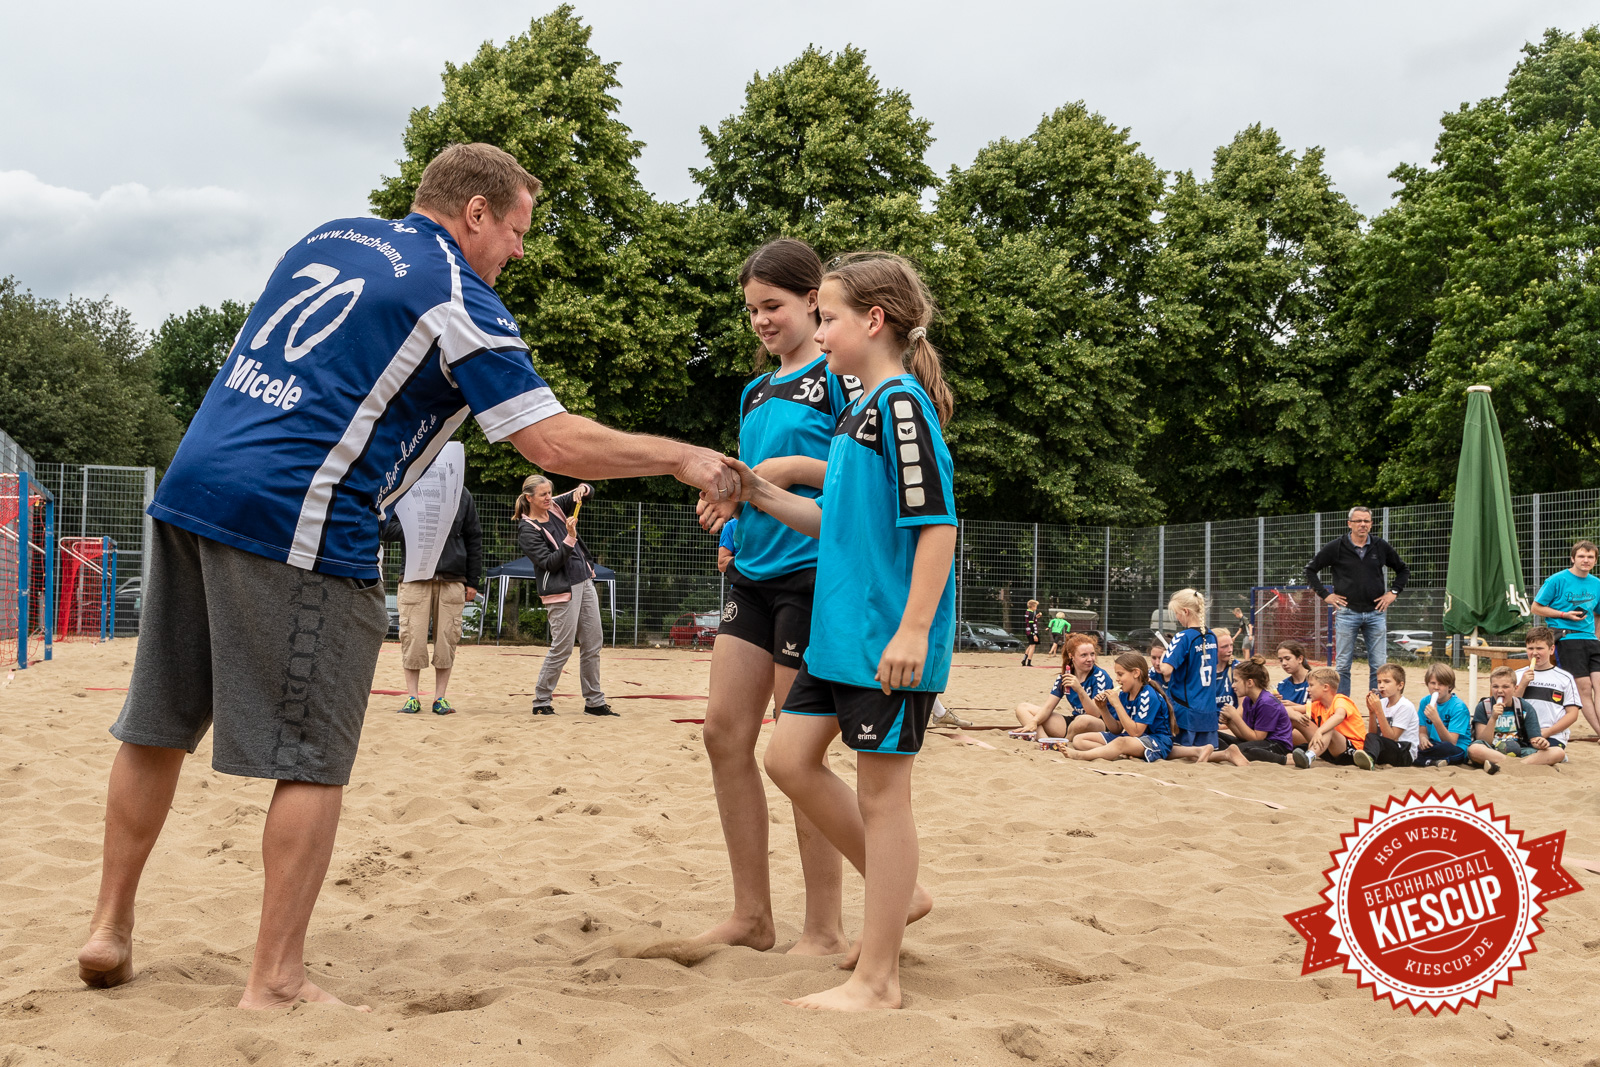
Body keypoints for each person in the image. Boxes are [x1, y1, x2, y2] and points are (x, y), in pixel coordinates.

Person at [76, 143, 741, 1010]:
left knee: (156, 724)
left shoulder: (331, 235)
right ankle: (275, 980)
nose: (519, 249)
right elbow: (550, 442)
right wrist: (683, 457)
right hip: (302, 512)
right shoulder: (457, 293)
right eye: (514, 228)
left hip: (194, 482)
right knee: (314, 760)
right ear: (473, 213)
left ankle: (109, 927)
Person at [718, 251, 955, 1011]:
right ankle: (899, 893)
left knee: (885, 796)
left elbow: (939, 526)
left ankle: (878, 978)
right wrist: (756, 489)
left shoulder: (903, 408)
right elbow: (830, 520)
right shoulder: (860, 412)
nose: (819, 332)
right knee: (788, 757)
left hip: (887, 637)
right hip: (838, 633)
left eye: (827, 317)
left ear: (873, 321)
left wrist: (914, 629)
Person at [677, 238, 863, 957]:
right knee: (724, 732)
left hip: (812, 574)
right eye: (751, 308)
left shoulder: (837, 375)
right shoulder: (755, 391)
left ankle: (823, 926)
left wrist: (779, 467)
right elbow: (752, 485)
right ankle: (752, 913)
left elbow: (852, 471)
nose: (759, 320)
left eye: (773, 305)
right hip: (750, 573)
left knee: (796, 752)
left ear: (814, 299)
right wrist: (726, 508)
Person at [382, 486, 482, 716]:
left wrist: (473, 582)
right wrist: (417, 525)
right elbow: (385, 528)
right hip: (415, 577)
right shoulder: (408, 486)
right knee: (412, 637)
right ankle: (412, 698)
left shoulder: (462, 493)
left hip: (452, 578)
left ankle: (440, 698)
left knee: (447, 639)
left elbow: (473, 538)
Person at [518, 477, 612, 717]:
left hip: (584, 580)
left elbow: (589, 490)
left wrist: (583, 489)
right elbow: (550, 563)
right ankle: (541, 700)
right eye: (543, 495)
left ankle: (595, 702)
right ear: (529, 498)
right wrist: (570, 537)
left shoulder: (556, 506)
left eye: (550, 492)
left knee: (593, 642)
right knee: (562, 646)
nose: (549, 497)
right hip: (561, 590)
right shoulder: (527, 529)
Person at [1304, 505, 1411, 695]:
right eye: (1358, 521)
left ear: (1371, 524)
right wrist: (1325, 595)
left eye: (1366, 521)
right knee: (1343, 665)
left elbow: (1403, 569)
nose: (1363, 524)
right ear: (1349, 524)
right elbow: (1310, 570)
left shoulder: (1380, 546)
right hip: (1347, 612)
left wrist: (1393, 592)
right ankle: (1342, 709)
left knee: (1379, 666)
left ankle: (1377, 708)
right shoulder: (1336, 547)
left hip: (1375, 612)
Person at [1531, 540, 1600, 737]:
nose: (1585, 560)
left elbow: (1598, 613)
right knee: (1584, 688)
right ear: (1573, 558)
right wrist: (1564, 615)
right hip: (1567, 638)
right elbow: (1536, 607)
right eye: (1581, 556)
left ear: (1595, 561)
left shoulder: (1597, 584)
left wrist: (1597, 637)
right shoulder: (1556, 580)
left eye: (1590, 557)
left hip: (1592, 641)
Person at [1063, 653, 1174, 763]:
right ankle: (1118, 753)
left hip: (1156, 740)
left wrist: (1117, 704)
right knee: (1079, 740)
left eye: (1120, 674)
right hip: (1132, 739)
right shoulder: (1124, 694)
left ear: (1136, 673)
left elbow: (1135, 733)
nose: (1117, 679)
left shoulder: (1148, 696)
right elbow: (1116, 729)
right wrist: (1103, 709)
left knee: (1120, 742)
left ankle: (1082, 755)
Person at [1014, 633, 1114, 740]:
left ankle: (1066, 740)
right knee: (1022, 708)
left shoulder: (1100, 676)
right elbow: (1048, 708)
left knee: (1083, 720)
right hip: (1074, 723)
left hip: (1100, 724)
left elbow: (1095, 713)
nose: (1090, 659)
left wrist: (1079, 690)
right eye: (1084, 655)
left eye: (1092, 654)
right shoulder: (1065, 677)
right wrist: (1034, 722)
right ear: (1072, 656)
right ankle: (1045, 741)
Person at [1161, 589, 1219, 763]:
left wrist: (1165, 657)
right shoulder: (1211, 636)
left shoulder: (1183, 637)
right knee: (1207, 754)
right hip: (1208, 710)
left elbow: (1166, 670)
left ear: (1185, 612)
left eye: (1177, 614)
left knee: (1174, 751)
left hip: (1185, 709)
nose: (1177, 618)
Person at [1206, 656, 1294, 765]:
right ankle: (1225, 753)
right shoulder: (1248, 700)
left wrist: (1235, 717)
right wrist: (1230, 723)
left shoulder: (1267, 702)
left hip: (1277, 744)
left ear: (1249, 683)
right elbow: (1246, 736)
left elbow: (1257, 737)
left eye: (1236, 681)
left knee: (1245, 751)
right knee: (1214, 735)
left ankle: (1286, 760)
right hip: (1258, 742)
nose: (1233, 685)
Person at [1513, 626, 1582, 765]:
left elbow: (1572, 714)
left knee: (1556, 752)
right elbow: (1510, 704)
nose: (1534, 653)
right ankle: (1531, 759)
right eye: (1530, 648)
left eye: (1539, 648)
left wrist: (1548, 731)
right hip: (1520, 733)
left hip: (1551, 734)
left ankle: (1521, 764)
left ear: (1551, 650)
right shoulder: (1517, 675)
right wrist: (1523, 684)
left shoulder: (1565, 678)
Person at [1466, 667, 1554, 774]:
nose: (1499, 690)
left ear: (1515, 688)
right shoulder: (1484, 707)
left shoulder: (1524, 707)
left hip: (1520, 749)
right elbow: (1483, 741)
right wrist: (1493, 718)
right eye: (1495, 686)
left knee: (1558, 752)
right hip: (1492, 751)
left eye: (1505, 687)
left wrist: (1541, 743)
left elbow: (1534, 739)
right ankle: (1518, 764)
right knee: (1474, 750)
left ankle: (1515, 764)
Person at [1292, 666, 1367, 768]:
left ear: (1325, 687)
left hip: (1352, 750)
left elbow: (1339, 716)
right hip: (1327, 748)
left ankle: (1309, 757)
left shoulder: (1340, 699)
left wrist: (1319, 731)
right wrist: (1290, 711)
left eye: (1311, 685)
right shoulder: (1317, 705)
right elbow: (1291, 710)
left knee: (1329, 728)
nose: (1308, 689)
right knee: (1296, 719)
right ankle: (1279, 745)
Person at [1353, 664, 1418, 769]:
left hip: (1404, 753)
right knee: (1369, 737)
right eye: (1379, 682)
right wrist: (1372, 712)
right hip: (1388, 748)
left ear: (1400, 686)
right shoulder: (1382, 703)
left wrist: (1378, 711)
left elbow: (1392, 737)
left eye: (1387, 682)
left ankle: (1369, 758)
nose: (1381, 686)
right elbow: (1374, 734)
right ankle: (1369, 758)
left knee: (1373, 740)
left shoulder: (1405, 706)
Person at [1414, 663, 1472, 767]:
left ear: (1449, 687)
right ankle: (1431, 761)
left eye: (1440, 684)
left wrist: (1436, 719)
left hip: (1456, 748)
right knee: (1412, 745)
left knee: (1445, 748)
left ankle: (1424, 760)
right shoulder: (1425, 701)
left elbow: (1451, 742)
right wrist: (1423, 738)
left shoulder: (1458, 707)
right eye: (1432, 683)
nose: (1436, 687)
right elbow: (1422, 730)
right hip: (1434, 744)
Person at [1275, 641, 1312, 713]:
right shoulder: (1281, 686)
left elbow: (1322, 710)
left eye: (1287, 659)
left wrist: (1294, 706)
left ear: (1300, 659)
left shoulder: (1317, 681)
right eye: (1281, 660)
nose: (1284, 663)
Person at [1021, 599, 1041, 666]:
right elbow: (1031, 624)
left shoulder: (1027, 612)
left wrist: (1036, 617)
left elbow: (1030, 620)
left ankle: (1024, 660)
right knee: (1032, 646)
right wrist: (1034, 634)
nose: (1036, 608)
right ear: (1032, 606)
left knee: (1030, 645)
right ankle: (1029, 662)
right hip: (1032, 631)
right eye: (1035, 606)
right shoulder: (1031, 613)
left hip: (1028, 631)